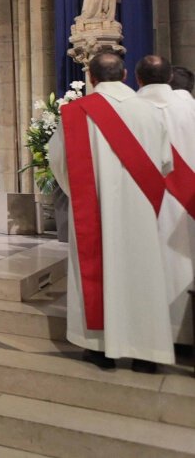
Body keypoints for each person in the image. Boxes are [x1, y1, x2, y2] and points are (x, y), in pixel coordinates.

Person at [49, 51, 174, 372]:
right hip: (141, 210)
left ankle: (101, 349)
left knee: (98, 269)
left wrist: (86, 193)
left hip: (93, 209)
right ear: (125, 76)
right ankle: (147, 353)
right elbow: (165, 164)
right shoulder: (150, 111)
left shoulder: (74, 113)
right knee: (142, 272)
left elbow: (60, 165)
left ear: (91, 78)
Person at [135, 55, 195, 346]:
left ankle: (153, 333)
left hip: (149, 200)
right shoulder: (188, 107)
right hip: (187, 201)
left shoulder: (131, 109)